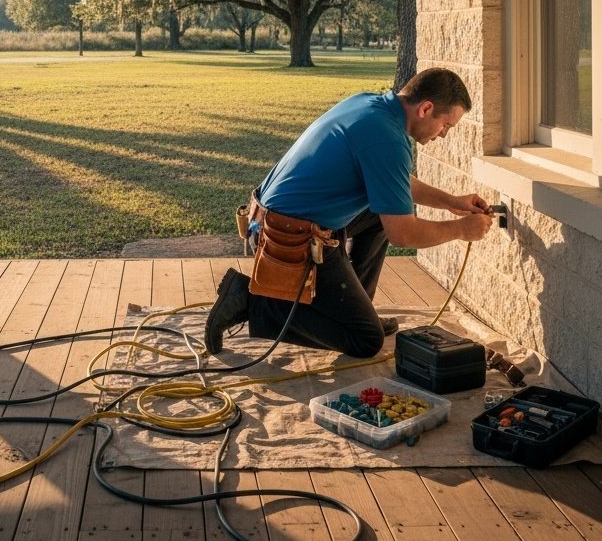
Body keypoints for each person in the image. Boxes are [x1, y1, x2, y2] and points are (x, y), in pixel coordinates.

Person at [205, 67, 494, 359]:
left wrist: (451, 202)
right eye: (446, 125)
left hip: (268, 221)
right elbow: (403, 234)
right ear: (426, 109)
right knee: (365, 339)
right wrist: (461, 229)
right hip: (286, 240)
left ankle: (356, 308)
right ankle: (248, 301)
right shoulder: (388, 139)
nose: (443, 134)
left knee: (381, 213)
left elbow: (392, 179)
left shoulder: (369, 105)